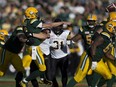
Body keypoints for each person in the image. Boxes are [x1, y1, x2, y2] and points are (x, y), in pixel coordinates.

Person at [19, 7, 71, 87]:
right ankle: (25, 81)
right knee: (42, 68)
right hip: (34, 48)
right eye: (35, 13)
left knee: (40, 67)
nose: (36, 15)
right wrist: (63, 22)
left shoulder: (26, 22)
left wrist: (33, 34)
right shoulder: (34, 22)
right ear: (31, 14)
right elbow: (49, 25)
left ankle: (42, 79)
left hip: (31, 47)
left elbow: (41, 35)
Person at [67, 20, 116, 87]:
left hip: (97, 60)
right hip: (88, 56)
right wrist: (94, 60)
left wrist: (115, 59)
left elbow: (108, 54)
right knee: (79, 77)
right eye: (115, 28)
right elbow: (93, 46)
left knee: (109, 76)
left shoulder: (110, 38)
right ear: (110, 28)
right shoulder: (103, 36)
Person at [46, 18, 71, 87]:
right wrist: (50, 45)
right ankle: (55, 85)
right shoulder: (50, 32)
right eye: (56, 25)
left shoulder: (66, 33)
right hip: (53, 56)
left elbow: (70, 42)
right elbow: (45, 43)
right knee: (51, 75)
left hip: (64, 56)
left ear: (62, 26)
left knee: (64, 72)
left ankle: (64, 85)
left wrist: (69, 43)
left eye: (59, 26)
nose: (57, 27)